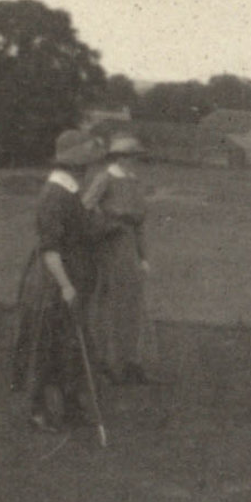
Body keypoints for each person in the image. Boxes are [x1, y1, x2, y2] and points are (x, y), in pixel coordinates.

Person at [11, 128, 108, 431]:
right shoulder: (55, 194)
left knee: (71, 346)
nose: (89, 168)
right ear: (74, 164)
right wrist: (66, 286)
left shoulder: (70, 191)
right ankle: (37, 410)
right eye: (85, 163)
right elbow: (50, 249)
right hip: (52, 283)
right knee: (46, 346)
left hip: (71, 276)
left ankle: (70, 405)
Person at [82, 133, 151, 384]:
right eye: (131, 157)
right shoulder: (105, 178)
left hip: (129, 249)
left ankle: (131, 361)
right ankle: (108, 363)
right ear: (119, 157)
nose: (135, 161)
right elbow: (86, 208)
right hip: (110, 248)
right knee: (111, 305)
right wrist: (110, 222)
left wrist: (143, 256)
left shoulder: (134, 181)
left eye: (137, 157)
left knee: (132, 305)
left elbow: (140, 223)